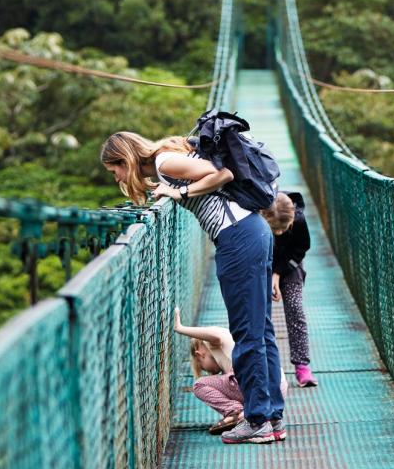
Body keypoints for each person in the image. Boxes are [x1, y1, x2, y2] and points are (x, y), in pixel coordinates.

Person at [101, 131, 285, 445]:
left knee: (248, 334)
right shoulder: (166, 162)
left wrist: (179, 194)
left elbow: (222, 173)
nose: (116, 176)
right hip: (250, 233)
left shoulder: (164, 162)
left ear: (126, 158)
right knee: (260, 330)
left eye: (114, 169)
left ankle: (257, 420)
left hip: (238, 237)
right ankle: (271, 417)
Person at [173, 308, 289, 439]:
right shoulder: (232, 343)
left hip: (257, 383)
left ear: (200, 354)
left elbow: (216, 336)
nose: (209, 372)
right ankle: (261, 415)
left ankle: (237, 413)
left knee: (199, 385)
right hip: (278, 388)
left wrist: (180, 328)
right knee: (230, 377)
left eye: (202, 366)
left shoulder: (214, 342)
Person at [262, 192, 318, 387]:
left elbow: (302, 248)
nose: (279, 233)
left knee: (295, 309)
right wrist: (269, 275)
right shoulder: (257, 219)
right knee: (259, 313)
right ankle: (263, 367)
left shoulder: (299, 221)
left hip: (291, 265)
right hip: (261, 266)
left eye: (284, 229)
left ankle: (302, 366)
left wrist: (278, 273)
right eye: (274, 229)